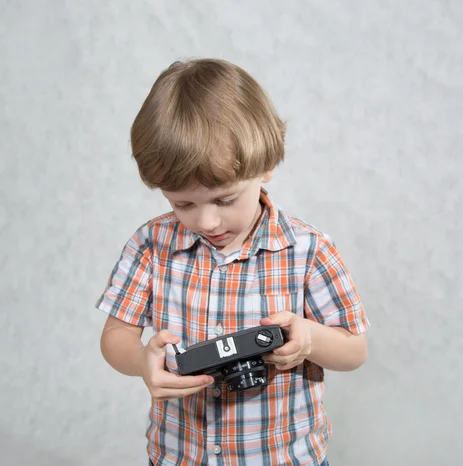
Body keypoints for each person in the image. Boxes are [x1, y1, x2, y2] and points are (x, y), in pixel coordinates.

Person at [96, 58, 370, 466]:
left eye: (225, 199)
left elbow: (355, 350)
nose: (205, 221)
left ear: (267, 167)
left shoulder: (308, 250)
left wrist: (307, 339)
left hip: (282, 458)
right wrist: (141, 361)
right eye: (182, 204)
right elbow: (115, 335)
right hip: (181, 455)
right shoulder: (151, 244)